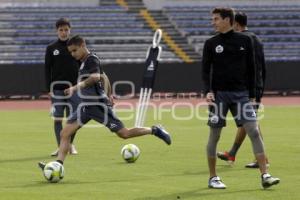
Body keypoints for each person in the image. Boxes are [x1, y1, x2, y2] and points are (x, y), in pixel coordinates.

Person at [39, 35, 171, 170]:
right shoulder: (83, 62)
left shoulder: (92, 60)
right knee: (65, 133)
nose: (72, 54)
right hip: (85, 107)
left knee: (124, 133)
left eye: (74, 51)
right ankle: (57, 165)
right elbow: (104, 75)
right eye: (71, 52)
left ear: (83, 46)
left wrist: (75, 87)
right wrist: (109, 94)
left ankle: (155, 130)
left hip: (97, 105)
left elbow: (96, 77)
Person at [202, 7, 279, 189]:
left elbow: (252, 69)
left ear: (228, 20)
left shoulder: (245, 40)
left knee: (253, 131)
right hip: (219, 95)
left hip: (242, 95)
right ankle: (213, 177)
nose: (213, 22)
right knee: (215, 135)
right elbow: (205, 70)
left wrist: (252, 95)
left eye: (216, 19)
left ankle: (265, 175)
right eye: (212, 19)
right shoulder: (210, 43)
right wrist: (207, 91)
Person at [216, 11, 268, 168]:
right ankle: (254, 158)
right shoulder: (256, 39)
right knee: (251, 122)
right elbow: (262, 66)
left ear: (236, 24)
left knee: (248, 123)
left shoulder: (243, 39)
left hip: (246, 88)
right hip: (255, 86)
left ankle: (234, 154)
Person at [45, 18, 80, 156]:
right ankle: (61, 147)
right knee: (58, 119)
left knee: (74, 119)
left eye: (66, 30)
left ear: (70, 30)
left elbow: (81, 66)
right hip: (57, 89)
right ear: (57, 31)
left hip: (74, 89)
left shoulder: (76, 47)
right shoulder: (51, 48)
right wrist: (49, 89)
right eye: (61, 30)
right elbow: (47, 69)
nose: (64, 32)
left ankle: (70, 145)